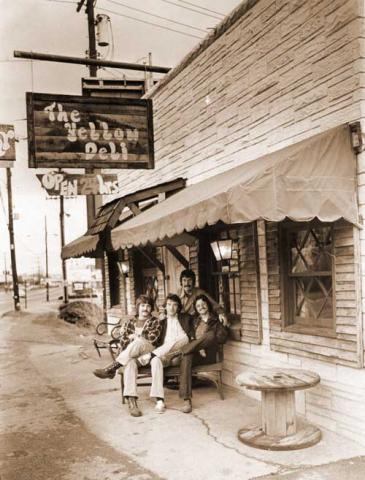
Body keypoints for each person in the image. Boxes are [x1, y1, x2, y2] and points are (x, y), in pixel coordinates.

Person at [171, 294, 228, 414]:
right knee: (186, 358)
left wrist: (223, 320)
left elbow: (221, 339)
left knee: (210, 335)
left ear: (207, 304)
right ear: (196, 309)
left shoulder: (216, 320)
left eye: (203, 304)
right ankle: (186, 400)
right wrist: (198, 347)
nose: (201, 307)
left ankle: (182, 351)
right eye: (198, 305)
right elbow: (191, 335)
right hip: (196, 353)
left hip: (208, 356)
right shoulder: (194, 321)